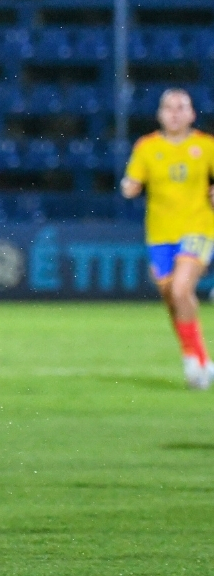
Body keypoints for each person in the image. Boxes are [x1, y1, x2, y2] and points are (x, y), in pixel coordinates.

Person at [121, 88, 214, 390]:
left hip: (198, 229)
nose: (174, 113)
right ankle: (193, 356)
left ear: (192, 114)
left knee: (181, 287)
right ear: (160, 114)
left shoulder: (206, 145)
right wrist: (129, 186)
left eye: (181, 107)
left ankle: (198, 361)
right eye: (168, 107)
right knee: (172, 298)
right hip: (160, 235)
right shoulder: (147, 147)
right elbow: (132, 183)